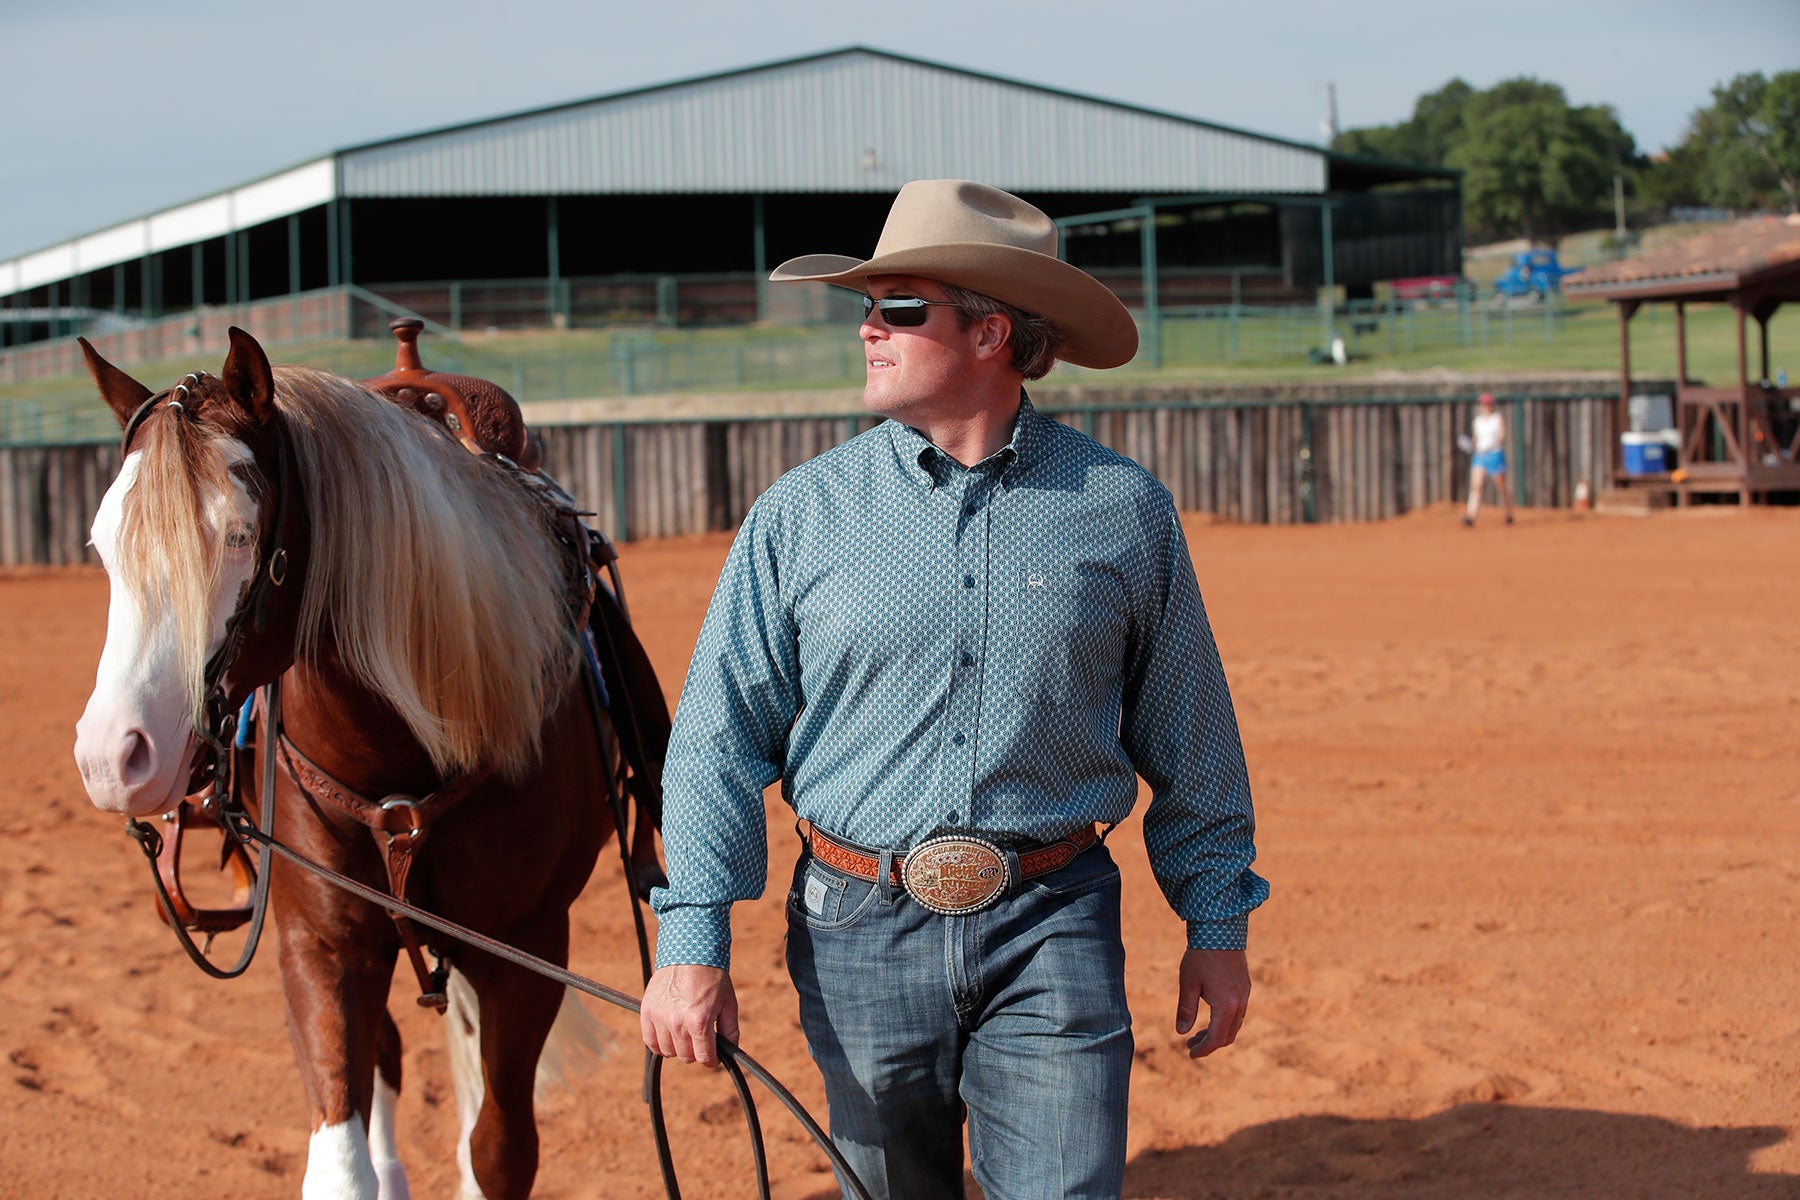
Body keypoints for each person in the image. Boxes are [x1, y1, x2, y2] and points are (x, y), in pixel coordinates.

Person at [640, 180, 1267, 1199]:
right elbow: (717, 737)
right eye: (866, 309)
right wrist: (692, 941)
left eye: (897, 309)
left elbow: (1190, 734)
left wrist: (1217, 926)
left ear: (989, 332)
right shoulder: (799, 516)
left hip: (1053, 919)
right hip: (856, 928)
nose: (867, 332)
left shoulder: (1123, 510)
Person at [1463, 391, 1515, 527]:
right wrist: (1469, 444)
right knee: (1476, 486)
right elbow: (1476, 439)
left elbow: (1501, 437)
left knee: (1501, 487)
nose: (1483, 406)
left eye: (1486, 404)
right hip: (1480, 456)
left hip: (1494, 455)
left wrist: (1490, 446)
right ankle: (1471, 516)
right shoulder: (1477, 421)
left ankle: (1509, 513)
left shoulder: (1497, 419)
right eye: (1482, 404)